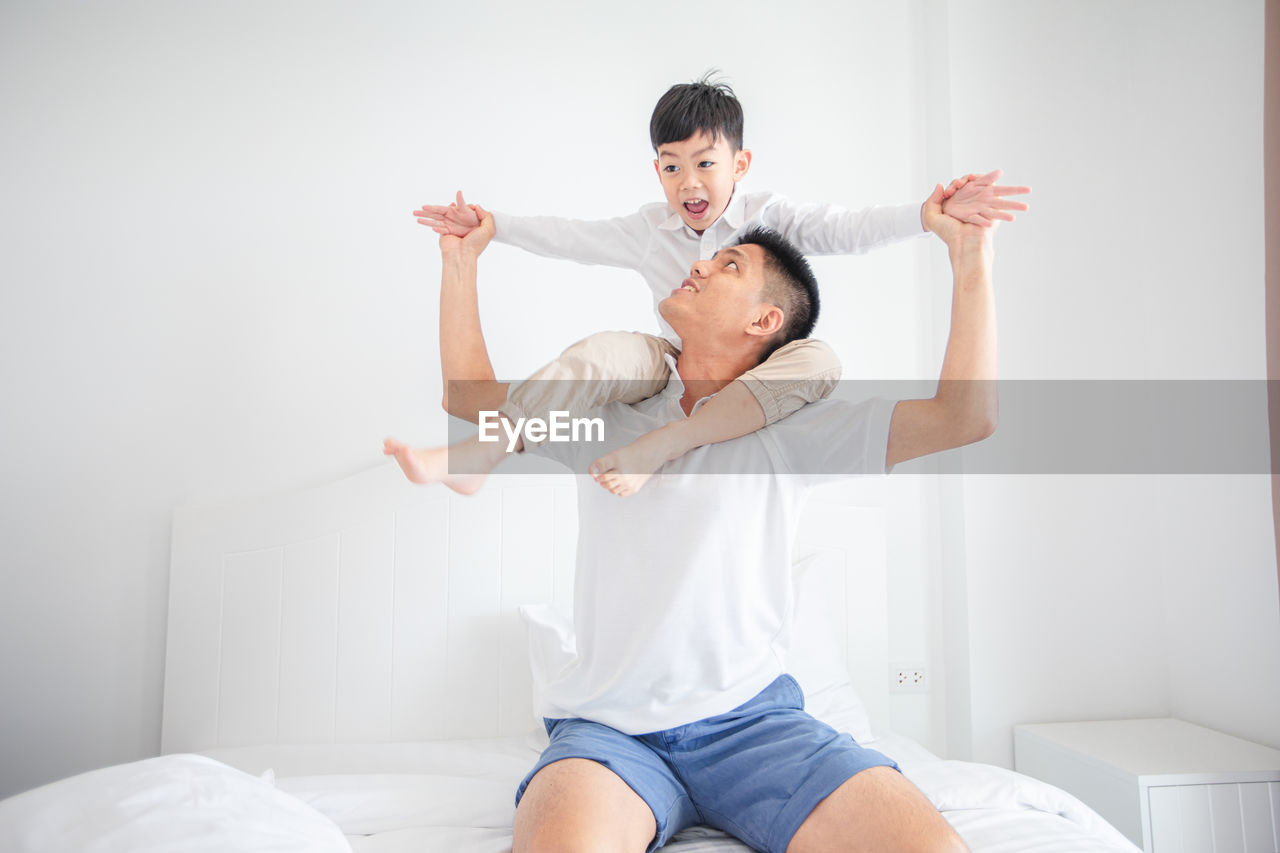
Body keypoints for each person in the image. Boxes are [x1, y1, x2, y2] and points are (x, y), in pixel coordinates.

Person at [383, 175, 1012, 851]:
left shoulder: (792, 432)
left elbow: (963, 417)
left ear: (764, 321)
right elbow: (474, 405)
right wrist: (461, 261)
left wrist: (969, 258)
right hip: (609, 733)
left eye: (729, 265)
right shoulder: (607, 420)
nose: (699, 261)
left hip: (756, 728)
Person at [412, 74, 1028, 496]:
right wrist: (488, 236)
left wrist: (927, 222)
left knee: (819, 356)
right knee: (611, 351)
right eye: (672, 167)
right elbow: (573, 239)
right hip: (666, 367)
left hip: (759, 388)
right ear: (656, 169)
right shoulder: (610, 418)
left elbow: (846, 229)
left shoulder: (773, 224)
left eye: (706, 163)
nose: (689, 183)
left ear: (741, 164)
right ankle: (488, 453)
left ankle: (675, 440)